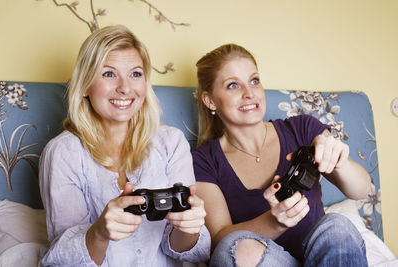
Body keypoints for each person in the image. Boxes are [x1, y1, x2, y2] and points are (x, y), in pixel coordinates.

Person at [39, 25, 210, 266]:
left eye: (136, 74)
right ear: (86, 85)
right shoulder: (63, 153)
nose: (125, 88)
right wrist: (99, 232)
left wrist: (189, 227)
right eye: (109, 74)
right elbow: (63, 260)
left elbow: (190, 251)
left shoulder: (171, 143)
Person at [192, 43, 371, 266]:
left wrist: (338, 160)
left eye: (254, 81)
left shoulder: (301, 129)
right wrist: (275, 222)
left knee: (338, 227)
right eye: (233, 85)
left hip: (326, 258)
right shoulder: (204, 161)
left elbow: (362, 189)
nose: (249, 93)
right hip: (268, 261)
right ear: (210, 101)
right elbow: (220, 240)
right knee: (237, 248)